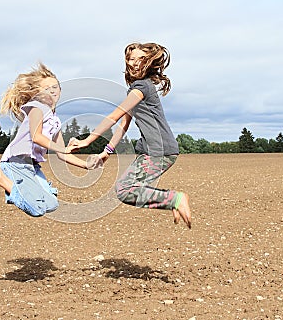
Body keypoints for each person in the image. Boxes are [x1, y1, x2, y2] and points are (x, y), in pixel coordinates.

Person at [71, 42, 192, 228]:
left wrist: (87, 140)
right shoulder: (135, 89)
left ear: (150, 62)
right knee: (127, 189)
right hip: (151, 150)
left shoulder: (142, 87)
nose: (135, 63)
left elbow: (114, 116)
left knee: (124, 189)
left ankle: (175, 198)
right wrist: (107, 151)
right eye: (131, 59)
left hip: (159, 151)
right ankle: (173, 200)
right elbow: (122, 125)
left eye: (141, 59)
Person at [0, 63, 101, 217]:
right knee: (36, 209)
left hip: (32, 166)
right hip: (16, 162)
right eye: (47, 88)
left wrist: (86, 165)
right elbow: (36, 137)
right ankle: (0, 179)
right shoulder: (37, 107)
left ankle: (17, 189)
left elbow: (62, 155)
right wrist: (61, 148)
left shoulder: (55, 120)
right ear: (37, 94)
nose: (53, 90)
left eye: (55, 86)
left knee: (51, 204)